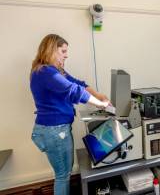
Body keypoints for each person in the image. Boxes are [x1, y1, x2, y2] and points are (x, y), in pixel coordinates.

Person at [30, 34, 111, 195]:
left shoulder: (55, 71)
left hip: (55, 129)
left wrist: (98, 95)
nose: (66, 55)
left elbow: (78, 84)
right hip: (54, 131)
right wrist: (101, 104)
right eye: (63, 51)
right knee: (62, 176)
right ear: (52, 50)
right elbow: (73, 91)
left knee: (63, 174)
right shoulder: (45, 72)